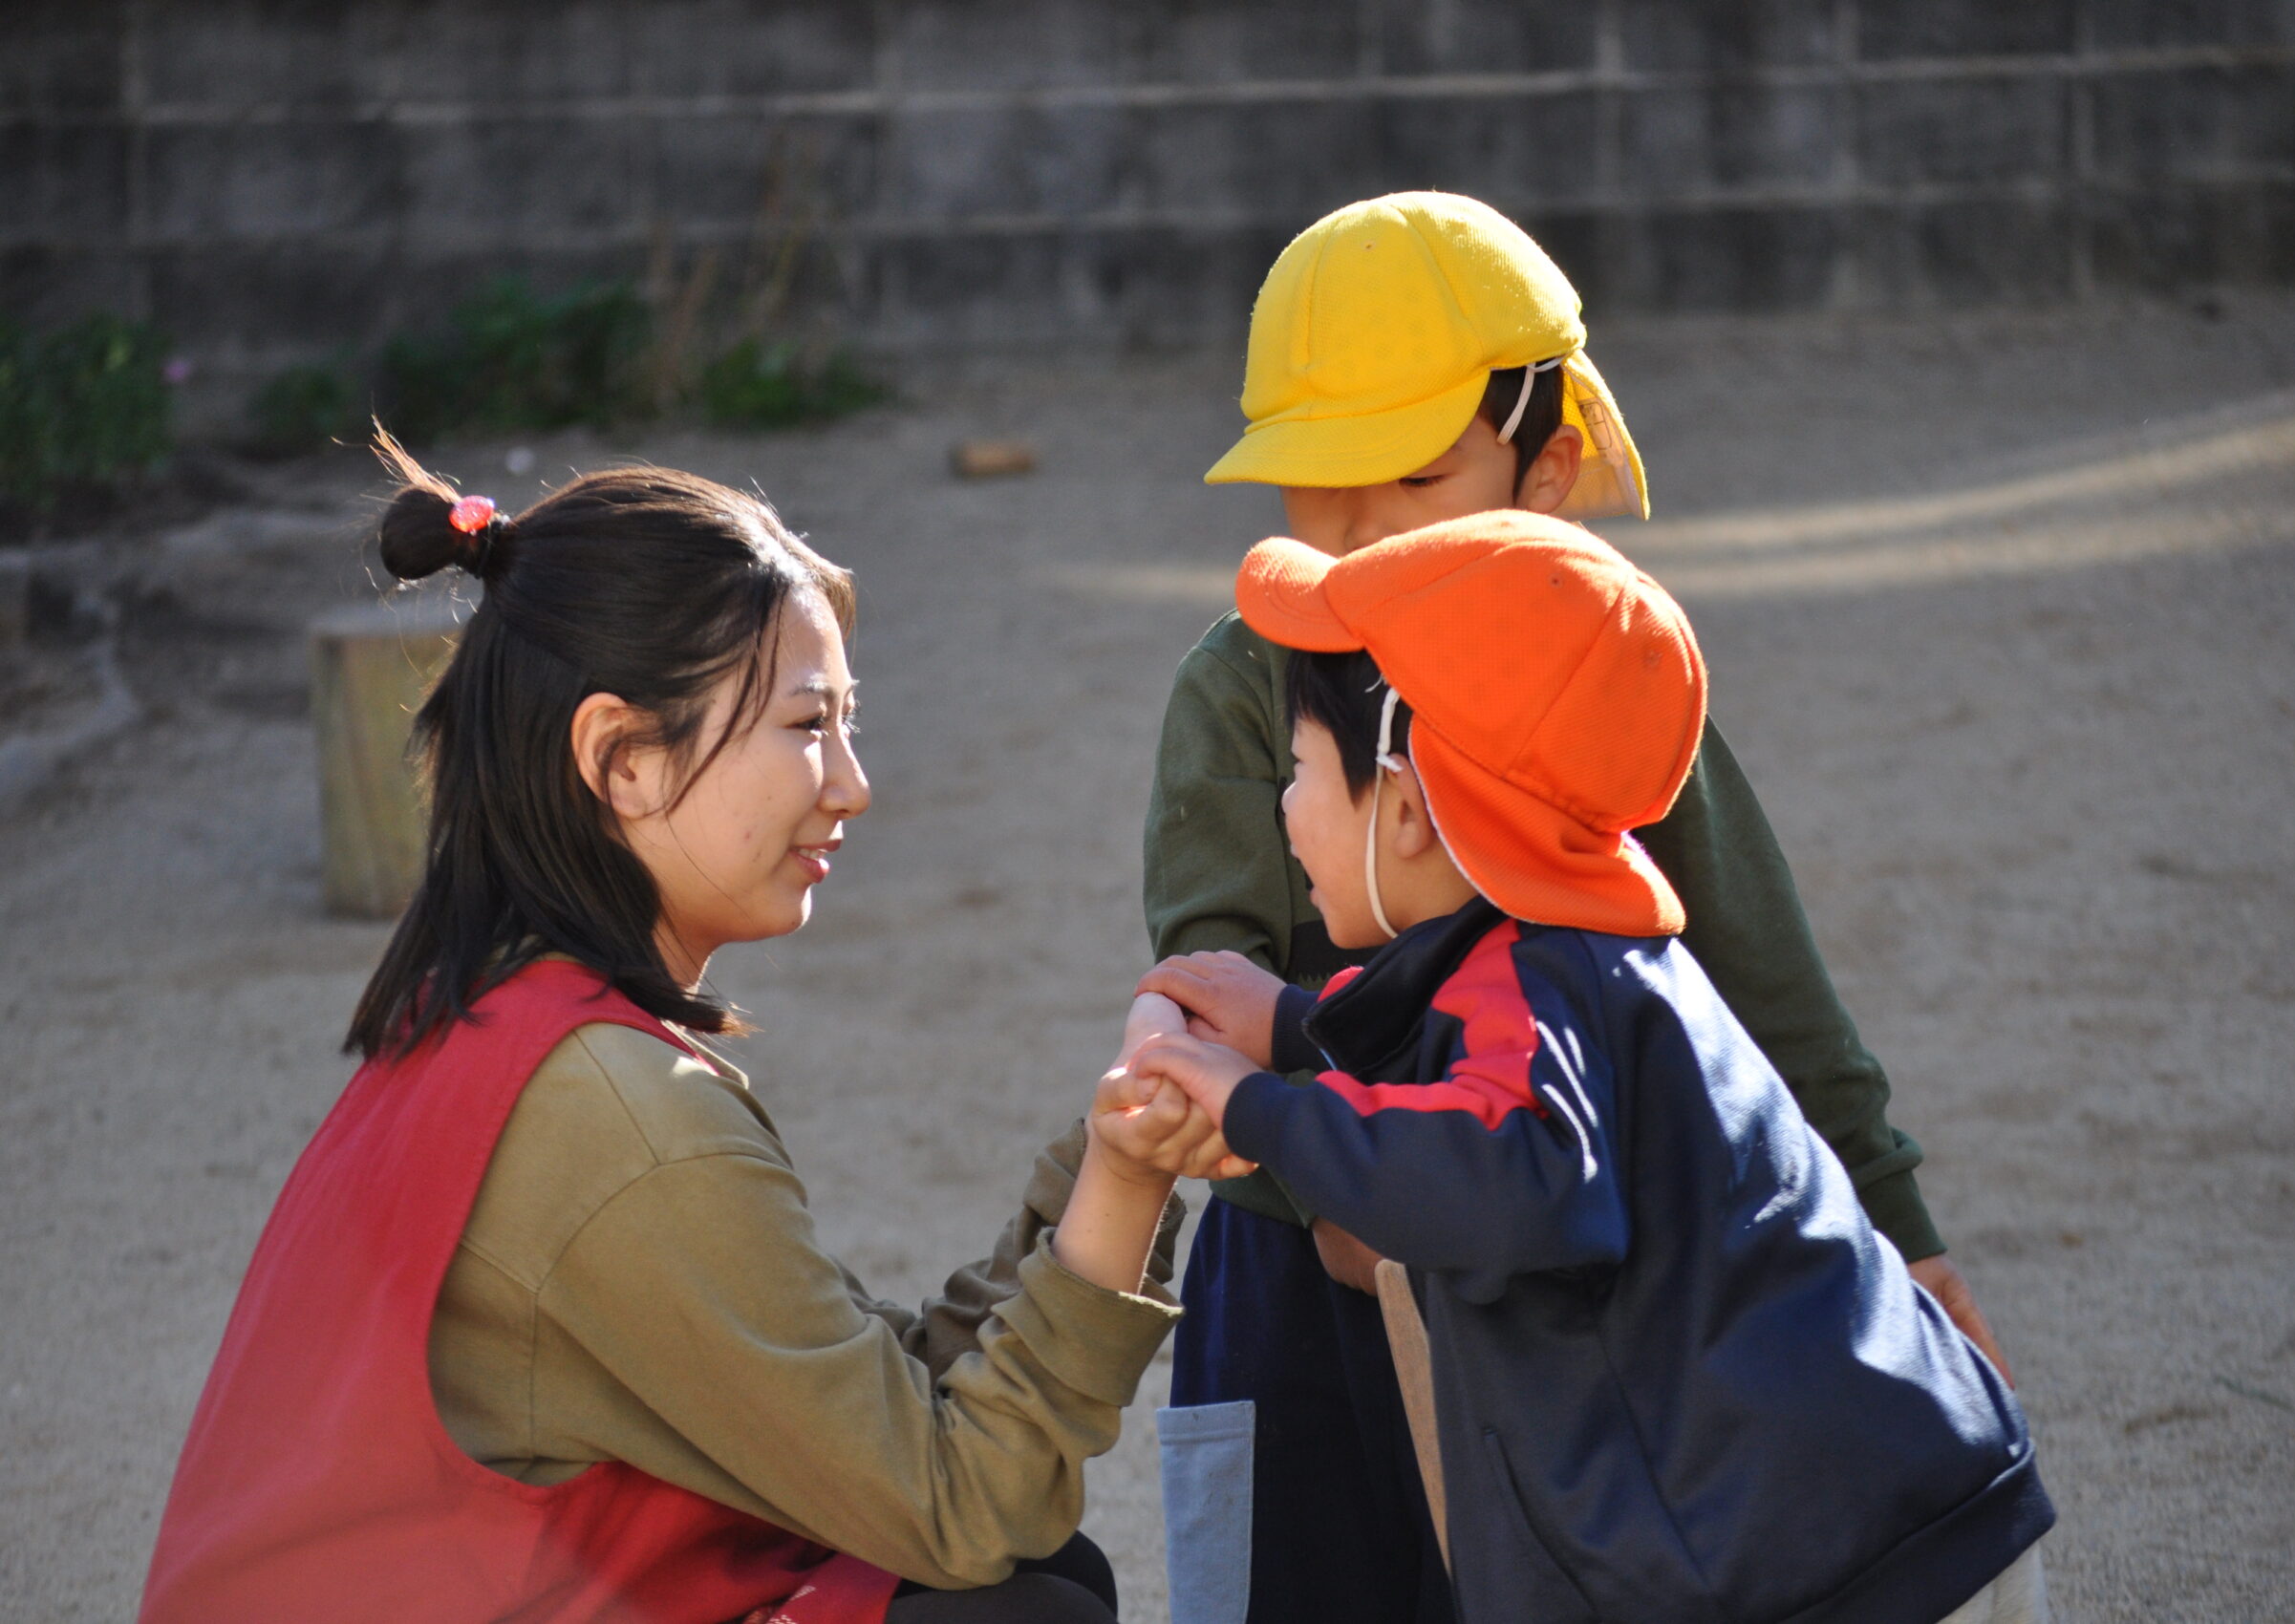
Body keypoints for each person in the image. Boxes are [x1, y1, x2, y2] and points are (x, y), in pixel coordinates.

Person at [139, 442, 1244, 1624]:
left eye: (849, 722)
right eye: (808, 723)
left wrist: (1110, 1152)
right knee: (1015, 1609)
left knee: (1036, 1582)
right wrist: (1127, 1183)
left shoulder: (496, 1021)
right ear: (620, 757)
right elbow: (963, 1503)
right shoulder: (623, 1116)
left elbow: (869, 1412)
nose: (853, 783)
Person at [1138, 191, 2011, 1624]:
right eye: (1311, 480)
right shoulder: (1244, 677)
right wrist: (1318, 1189)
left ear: (1542, 464)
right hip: (1305, 1256)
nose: (1351, 528)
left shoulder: (1588, 664)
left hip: (1547, 1262)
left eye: (1408, 475)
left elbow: (1754, 967)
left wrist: (1893, 1218)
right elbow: (1204, 966)